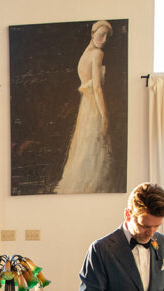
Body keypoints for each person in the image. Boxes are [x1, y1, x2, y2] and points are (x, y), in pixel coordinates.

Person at [79, 182, 164, 291]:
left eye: (156, 226)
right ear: (128, 215)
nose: (151, 233)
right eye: (144, 226)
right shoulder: (101, 250)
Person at [55, 20, 114, 194]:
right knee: (94, 148)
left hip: (85, 107)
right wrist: (105, 116)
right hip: (93, 107)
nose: (103, 40)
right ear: (93, 33)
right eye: (101, 34)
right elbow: (96, 87)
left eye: (106, 37)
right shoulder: (97, 54)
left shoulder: (84, 55)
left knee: (85, 148)